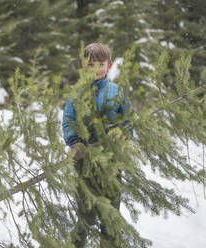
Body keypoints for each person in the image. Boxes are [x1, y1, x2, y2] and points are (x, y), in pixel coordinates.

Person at [62, 42, 132, 247]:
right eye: (91, 65)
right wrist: (75, 142)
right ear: (84, 66)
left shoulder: (116, 92)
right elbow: (68, 120)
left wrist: (123, 133)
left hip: (112, 160)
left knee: (110, 211)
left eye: (100, 64)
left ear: (109, 65)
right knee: (86, 212)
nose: (96, 69)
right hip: (84, 160)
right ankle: (77, 243)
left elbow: (128, 120)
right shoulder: (77, 93)